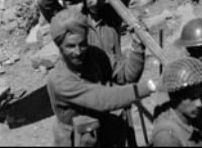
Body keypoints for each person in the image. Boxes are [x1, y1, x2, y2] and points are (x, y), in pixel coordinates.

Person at [37, 0, 144, 144]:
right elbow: (45, 3)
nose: (94, 1)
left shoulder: (112, 16)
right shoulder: (73, 21)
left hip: (110, 91)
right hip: (82, 100)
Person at [46, 8, 158, 146]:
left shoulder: (95, 55)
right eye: (70, 46)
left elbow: (126, 77)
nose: (78, 51)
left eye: (82, 44)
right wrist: (148, 87)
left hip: (102, 130)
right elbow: (102, 99)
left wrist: (137, 45)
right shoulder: (59, 79)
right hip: (76, 140)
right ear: (60, 47)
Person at [151, 57, 202, 147]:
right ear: (176, 100)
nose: (199, 103)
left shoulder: (201, 110)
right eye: (192, 98)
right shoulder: (166, 137)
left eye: (200, 96)